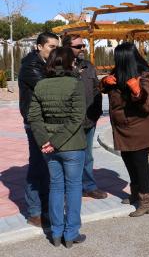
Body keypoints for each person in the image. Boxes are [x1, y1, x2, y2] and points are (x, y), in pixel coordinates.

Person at [28, 47, 87, 248]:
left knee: (55, 187)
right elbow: (77, 118)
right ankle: (71, 234)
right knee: (73, 188)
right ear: (70, 63)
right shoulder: (75, 84)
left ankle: (55, 233)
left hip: (49, 147)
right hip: (71, 145)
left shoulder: (41, 86)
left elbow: (34, 117)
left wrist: (46, 140)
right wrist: (53, 142)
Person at [100, 42, 149, 217]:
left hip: (140, 127)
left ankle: (147, 201)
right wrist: (104, 82)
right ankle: (136, 193)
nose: (116, 61)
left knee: (140, 163)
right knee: (128, 159)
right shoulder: (118, 74)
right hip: (123, 128)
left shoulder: (145, 77)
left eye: (119, 58)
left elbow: (147, 106)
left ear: (127, 59)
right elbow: (106, 89)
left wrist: (138, 93)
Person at [18, 32, 59, 227]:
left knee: (46, 165)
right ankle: (34, 212)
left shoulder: (44, 64)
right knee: (37, 165)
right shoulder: (31, 66)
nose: (54, 51)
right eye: (51, 47)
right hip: (35, 122)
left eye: (56, 48)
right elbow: (47, 88)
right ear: (39, 46)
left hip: (45, 121)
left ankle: (44, 207)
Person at [61, 34, 107, 199]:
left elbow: (96, 89)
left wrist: (97, 111)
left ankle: (89, 186)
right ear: (67, 47)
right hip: (70, 122)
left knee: (87, 155)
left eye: (83, 45)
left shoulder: (88, 66)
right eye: (78, 46)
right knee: (71, 157)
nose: (82, 49)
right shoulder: (60, 68)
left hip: (89, 119)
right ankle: (69, 189)